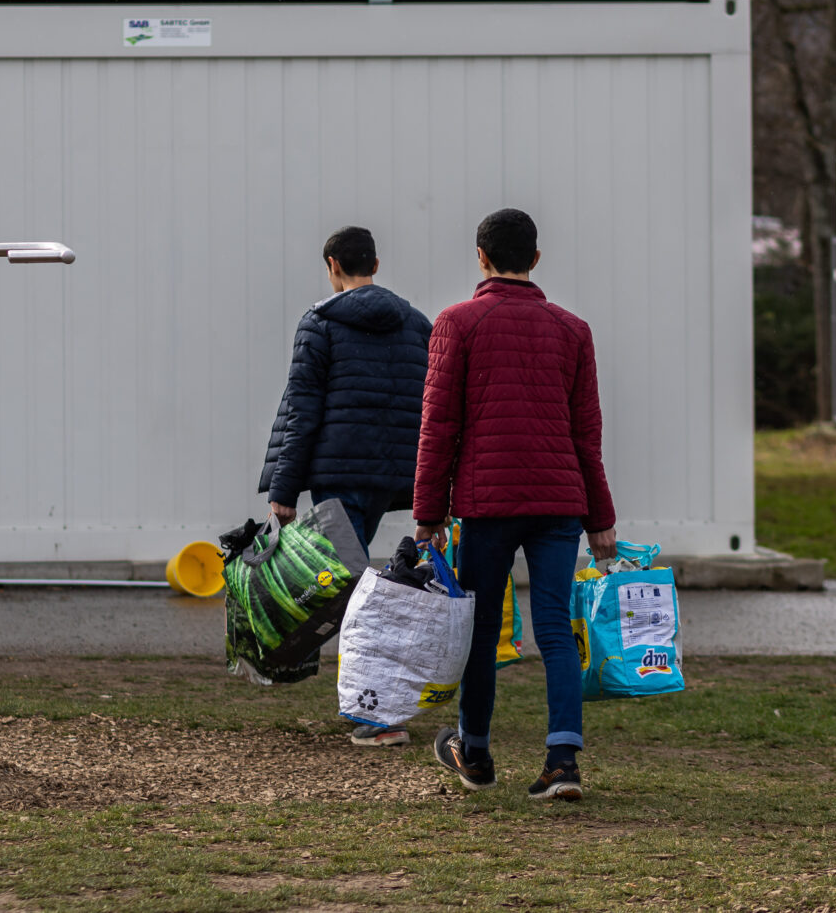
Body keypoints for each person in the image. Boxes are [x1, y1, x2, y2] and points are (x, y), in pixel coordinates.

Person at [414, 208, 617, 801]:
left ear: (480, 257)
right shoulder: (572, 330)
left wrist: (429, 513)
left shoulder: (457, 322)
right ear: (535, 257)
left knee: (480, 631)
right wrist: (600, 519)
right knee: (556, 628)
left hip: (487, 502)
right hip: (560, 504)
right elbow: (587, 435)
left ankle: (473, 752)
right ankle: (563, 761)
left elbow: (438, 426)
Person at [259, 225, 431, 745]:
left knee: (354, 596)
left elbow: (302, 410)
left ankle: (374, 718)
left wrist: (283, 490)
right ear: (374, 265)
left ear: (332, 265)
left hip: (336, 475)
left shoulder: (321, 322)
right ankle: (375, 708)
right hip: (392, 476)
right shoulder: (417, 324)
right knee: (358, 588)